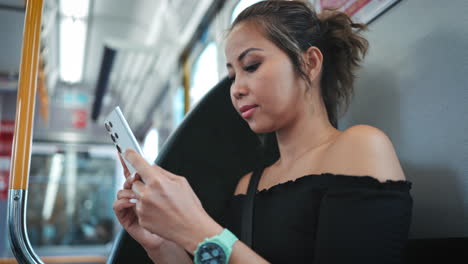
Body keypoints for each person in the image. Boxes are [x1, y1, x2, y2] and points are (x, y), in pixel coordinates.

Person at [113, 1, 413, 263]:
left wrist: (196, 228)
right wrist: (161, 244)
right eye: (232, 76)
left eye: (252, 66)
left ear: (309, 63)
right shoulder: (249, 185)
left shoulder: (360, 147)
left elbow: (214, 243)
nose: (236, 90)